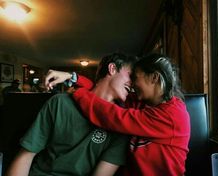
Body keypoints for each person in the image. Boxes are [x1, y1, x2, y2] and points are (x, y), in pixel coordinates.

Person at [45, 53, 191, 176]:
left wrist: (78, 92)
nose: (132, 84)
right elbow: (101, 95)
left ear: (154, 78)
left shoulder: (173, 115)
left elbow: (112, 116)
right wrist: (74, 78)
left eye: (135, 77)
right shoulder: (142, 103)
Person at [5, 53, 135, 176]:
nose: (133, 83)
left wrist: (71, 76)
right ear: (112, 68)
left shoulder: (123, 123)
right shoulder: (61, 103)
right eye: (130, 75)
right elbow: (26, 154)